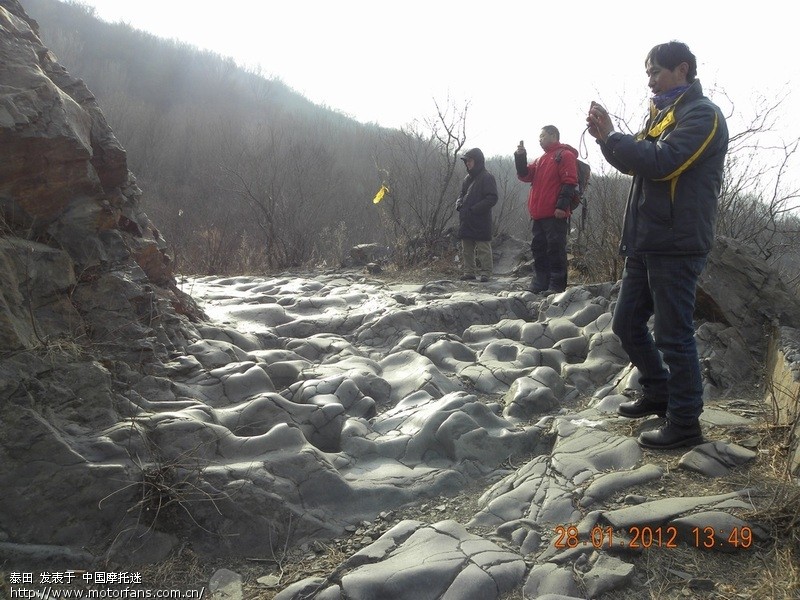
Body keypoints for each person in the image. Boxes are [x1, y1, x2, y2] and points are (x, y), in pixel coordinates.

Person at [586, 41, 729, 450]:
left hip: (677, 243)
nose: (649, 80)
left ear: (682, 69)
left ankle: (685, 422)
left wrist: (614, 135)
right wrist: (605, 139)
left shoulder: (703, 116)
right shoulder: (663, 114)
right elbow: (636, 161)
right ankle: (658, 391)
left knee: (673, 333)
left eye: (655, 72)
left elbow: (662, 162)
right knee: (626, 323)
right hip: (646, 241)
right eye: (647, 72)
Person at [514, 126, 579, 294]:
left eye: (542, 136)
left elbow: (570, 181)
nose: (540, 139)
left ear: (553, 135)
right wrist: (520, 157)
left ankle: (557, 285)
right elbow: (525, 175)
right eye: (539, 136)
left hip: (555, 214)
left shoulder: (565, 155)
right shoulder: (542, 159)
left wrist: (561, 206)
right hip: (539, 214)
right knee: (539, 249)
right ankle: (540, 283)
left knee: (555, 249)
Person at [456, 147, 498, 282]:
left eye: (470, 160)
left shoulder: (487, 177)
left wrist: (475, 209)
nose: (467, 163)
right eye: (466, 161)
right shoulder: (467, 179)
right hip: (466, 218)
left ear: (477, 161)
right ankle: (469, 271)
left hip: (481, 219)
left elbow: (492, 198)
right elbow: (461, 195)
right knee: (466, 248)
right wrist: (459, 204)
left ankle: (486, 273)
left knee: (483, 248)